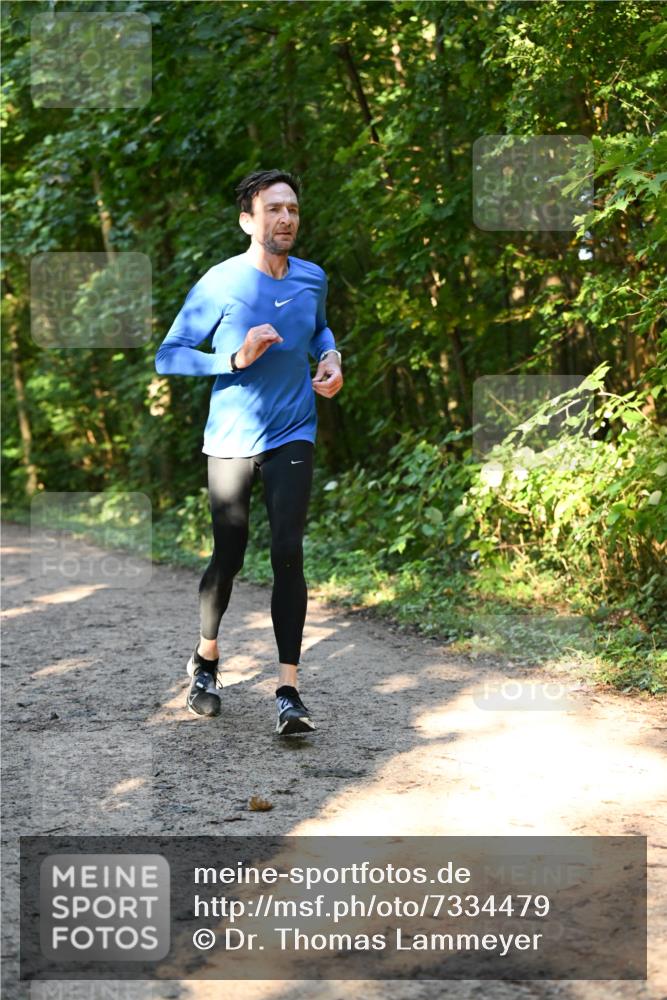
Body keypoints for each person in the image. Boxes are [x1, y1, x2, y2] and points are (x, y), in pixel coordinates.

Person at [155, 169, 343, 735]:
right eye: (273, 209)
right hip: (232, 439)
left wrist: (331, 358)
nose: (286, 218)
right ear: (248, 220)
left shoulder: (312, 277)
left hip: (294, 430)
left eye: (292, 209)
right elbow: (169, 355)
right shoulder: (220, 282)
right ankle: (206, 658)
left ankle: (288, 692)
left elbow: (320, 330)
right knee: (229, 556)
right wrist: (234, 358)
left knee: (288, 551)